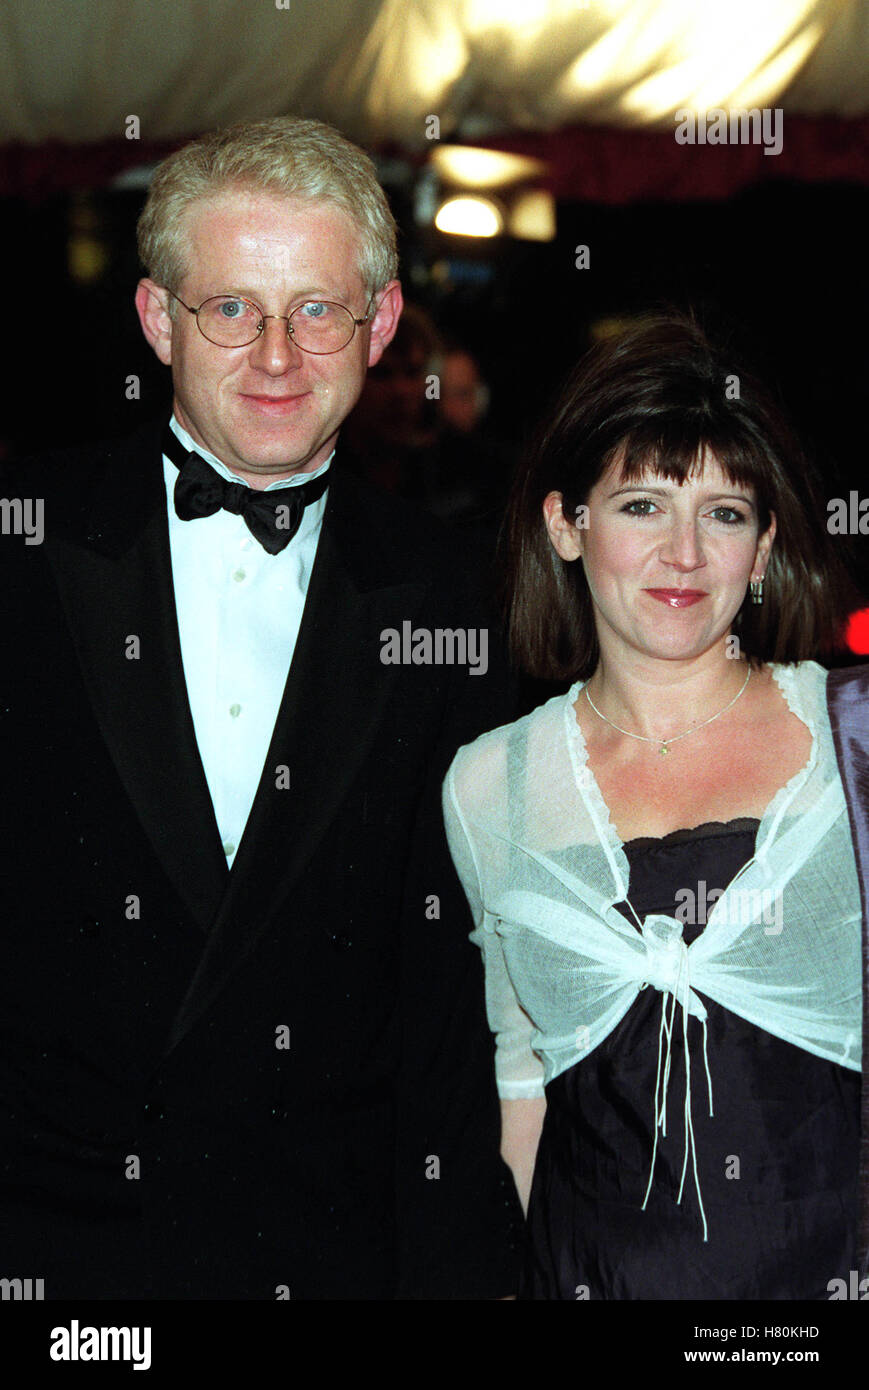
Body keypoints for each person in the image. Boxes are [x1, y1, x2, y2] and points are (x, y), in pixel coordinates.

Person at [0, 116, 524, 1299]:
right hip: (57, 1262)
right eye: (231, 309)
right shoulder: (22, 547)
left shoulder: (462, 596)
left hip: (330, 1259)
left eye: (317, 311)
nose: (278, 356)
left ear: (380, 324)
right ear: (155, 319)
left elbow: (456, 1011)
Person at [443, 313, 864, 1299]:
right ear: (564, 524)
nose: (682, 553)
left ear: (761, 548)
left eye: (722, 513)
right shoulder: (486, 784)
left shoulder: (850, 740)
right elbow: (523, 1086)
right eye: (640, 505)